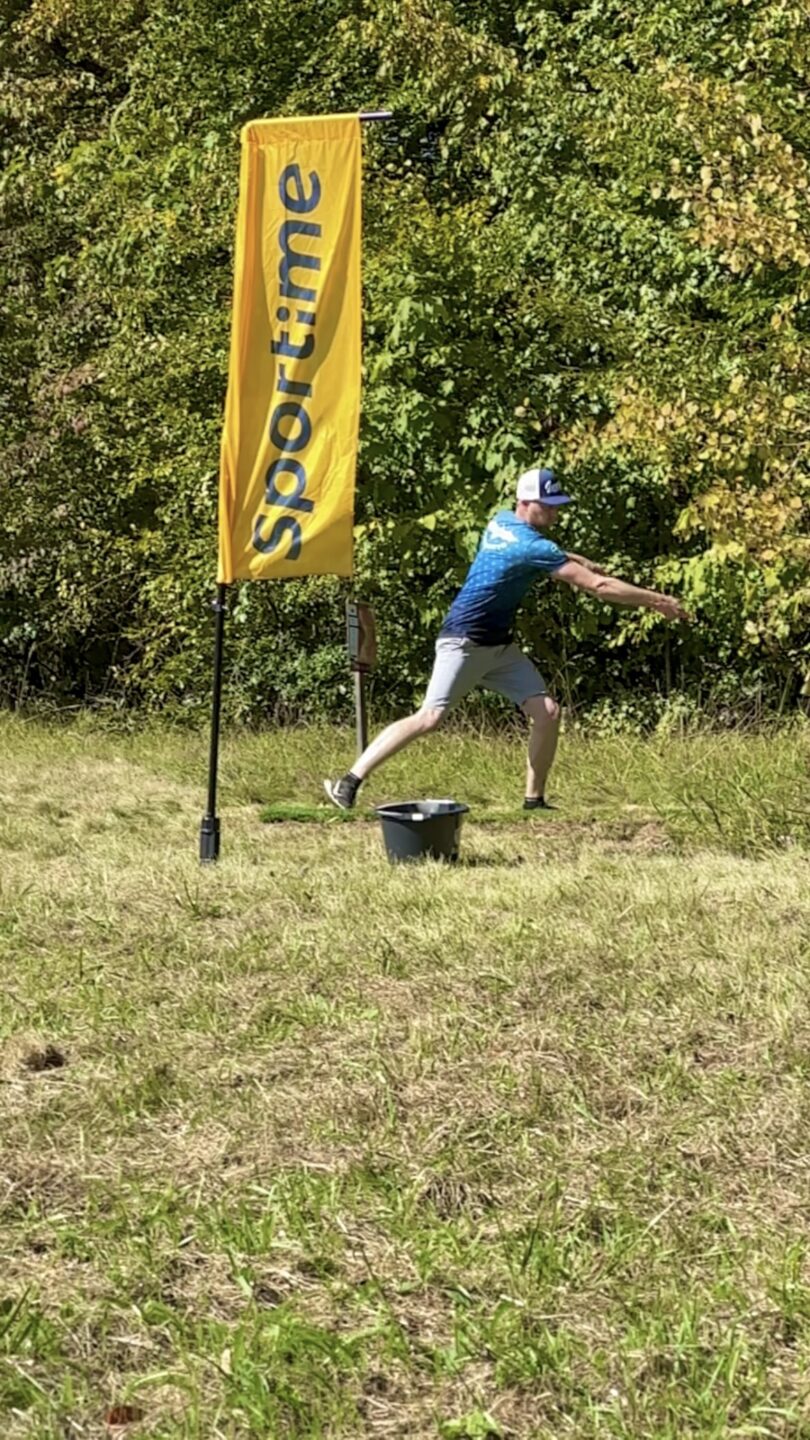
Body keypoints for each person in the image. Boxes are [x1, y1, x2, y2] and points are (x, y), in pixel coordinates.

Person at [324, 466, 688, 811]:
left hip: (497, 647)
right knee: (430, 717)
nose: (556, 512)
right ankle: (348, 782)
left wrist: (577, 558)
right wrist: (657, 600)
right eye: (548, 505)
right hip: (464, 641)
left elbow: (541, 551)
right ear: (525, 502)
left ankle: (534, 801)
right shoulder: (533, 547)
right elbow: (600, 586)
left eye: (557, 505)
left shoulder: (501, 521)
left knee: (547, 713)